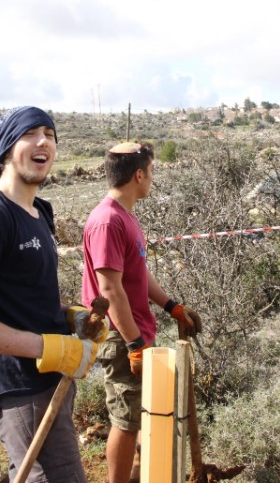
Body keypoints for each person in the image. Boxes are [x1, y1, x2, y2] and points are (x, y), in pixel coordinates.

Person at [0, 106, 103, 482]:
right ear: (6, 149)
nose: (43, 140)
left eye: (49, 133)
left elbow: (21, 295)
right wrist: (49, 348)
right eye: (29, 133)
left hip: (46, 379)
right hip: (17, 388)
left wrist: (68, 317)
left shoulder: (38, 212)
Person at [82, 141, 203, 483]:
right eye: (151, 171)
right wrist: (134, 344)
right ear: (138, 174)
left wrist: (171, 306)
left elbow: (138, 272)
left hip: (134, 335)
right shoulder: (107, 221)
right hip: (121, 337)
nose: (152, 178)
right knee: (126, 419)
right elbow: (110, 289)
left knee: (136, 414)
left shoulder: (125, 217)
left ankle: (138, 475)